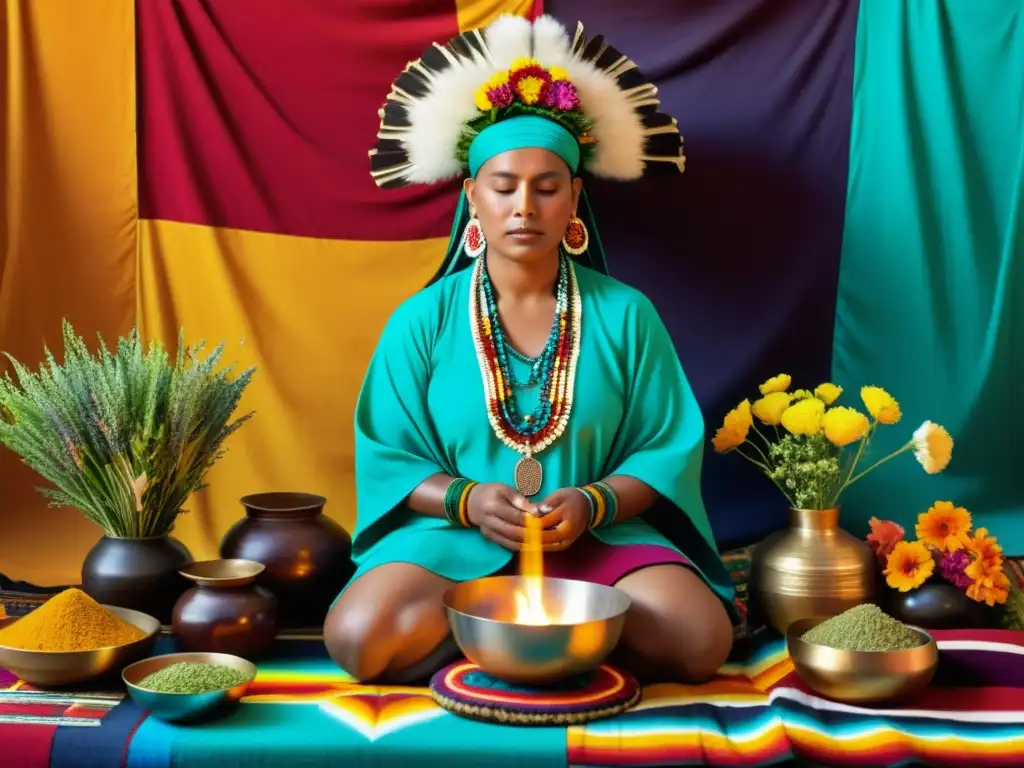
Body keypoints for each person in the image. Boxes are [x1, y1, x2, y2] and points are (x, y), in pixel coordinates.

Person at [325, 14, 736, 685]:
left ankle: (503, 631)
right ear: (472, 199)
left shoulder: (626, 315)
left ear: (575, 198)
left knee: (698, 640)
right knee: (357, 638)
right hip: (455, 541)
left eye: (547, 188)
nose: (525, 206)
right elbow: (387, 453)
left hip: (595, 539)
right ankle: (535, 634)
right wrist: (466, 501)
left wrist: (593, 503)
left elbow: (667, 448)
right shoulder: (421, 321)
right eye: (504, 185)